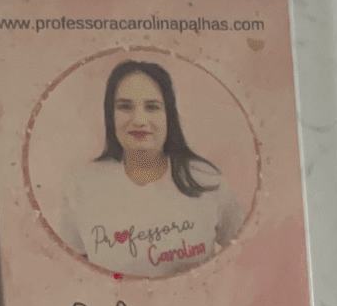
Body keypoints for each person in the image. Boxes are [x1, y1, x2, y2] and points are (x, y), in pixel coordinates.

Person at [59, 60, 246, 278]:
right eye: (125, 107)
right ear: (111, 115)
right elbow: (75, 274)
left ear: (169, 115)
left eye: (152, 107)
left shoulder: (206, 181)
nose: (139, 120)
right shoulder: (81, 187)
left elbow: (247, 254)